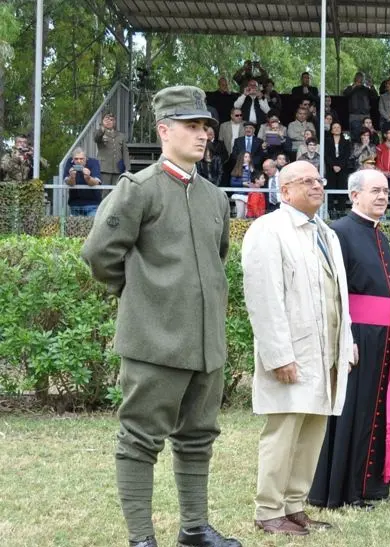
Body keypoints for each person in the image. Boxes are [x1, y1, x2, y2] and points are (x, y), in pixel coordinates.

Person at [80, 86, 238, 547]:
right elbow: (98, 255)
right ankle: (141, 539)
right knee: (139, 440)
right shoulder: (139, 189)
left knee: (197, 437)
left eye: (206, 126)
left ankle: (193, 529)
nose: (203, 134)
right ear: (164, 130)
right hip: (154, 342)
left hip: (205, 345)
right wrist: (141, 296)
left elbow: (216, 260)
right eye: (192, 126)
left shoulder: (214, 198)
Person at [244, 161, 355, 536]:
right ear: (284, 190)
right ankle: (269, 510)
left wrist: (347, 344)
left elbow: (340, 297)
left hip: (326, 353)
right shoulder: (268, 230)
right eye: (306, 181)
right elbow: (264, 298)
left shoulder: (326, 233)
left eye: (319, 180)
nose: (317, 186)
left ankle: (294, 505)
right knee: (284, 428)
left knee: (313, 428)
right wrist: (278, 355)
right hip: (292, 352)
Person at [306, 170, 390, 509]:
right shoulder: (340, 232)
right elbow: (335, 293)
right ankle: (343, 489)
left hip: (383, 335)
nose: (383, 196)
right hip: (358, 335)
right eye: (375, 190)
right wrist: (345, 336)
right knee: (353, 413)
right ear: (354, 195)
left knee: (374, 411)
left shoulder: (382, 236)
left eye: (386, 191)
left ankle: (370, 486)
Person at [62, 147, 103, 216]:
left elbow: (96, 182)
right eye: (76, 159)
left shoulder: (94, 162)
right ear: (72, 159)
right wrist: (72, 177)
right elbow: (69, 183)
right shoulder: (69, 162)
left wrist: (88, 178)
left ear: (86, 158)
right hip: (75, 204)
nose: (79, 161)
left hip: (92, 204)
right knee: (74, 227)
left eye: (81, 159)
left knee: (91, 226)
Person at [94, 112, 130, 185]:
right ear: (102, 121)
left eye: (111, 119)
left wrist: (127, 168)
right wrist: (102, 128)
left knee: (116, 192)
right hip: (104, 169)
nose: (109, 121)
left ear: (114, 122)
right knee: (105, 193)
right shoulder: (99, 132)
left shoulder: (120, 135)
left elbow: (125, 153)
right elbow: (97, 138)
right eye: (106, 119)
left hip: (118, 169)